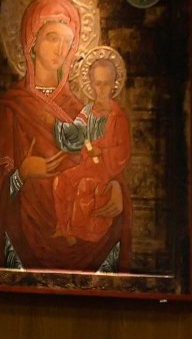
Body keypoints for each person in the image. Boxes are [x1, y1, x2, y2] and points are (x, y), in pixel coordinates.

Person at [0, 0, 131, 272]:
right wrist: (22, 174)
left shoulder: (82, 109)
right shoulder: (10, 109)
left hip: (86, 231)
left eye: (67, 41)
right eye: (52, 38)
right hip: (26, 237)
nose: (60, 49)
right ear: (32, 40)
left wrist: (117, 190)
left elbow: (102, 162)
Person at [52, 56, 132, 246]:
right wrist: (57, 123)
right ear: (91, 84)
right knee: (60, 181)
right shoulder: (88, 111)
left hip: (106, 169)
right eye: (97, 84)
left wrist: (102, 152)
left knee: (84, 186)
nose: (101, 89)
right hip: (87, 165)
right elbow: (76, 133)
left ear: (113, 84)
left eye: (106, 84)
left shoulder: (117, 116)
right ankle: (64, 228)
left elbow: (123, 150)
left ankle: (82, 232)